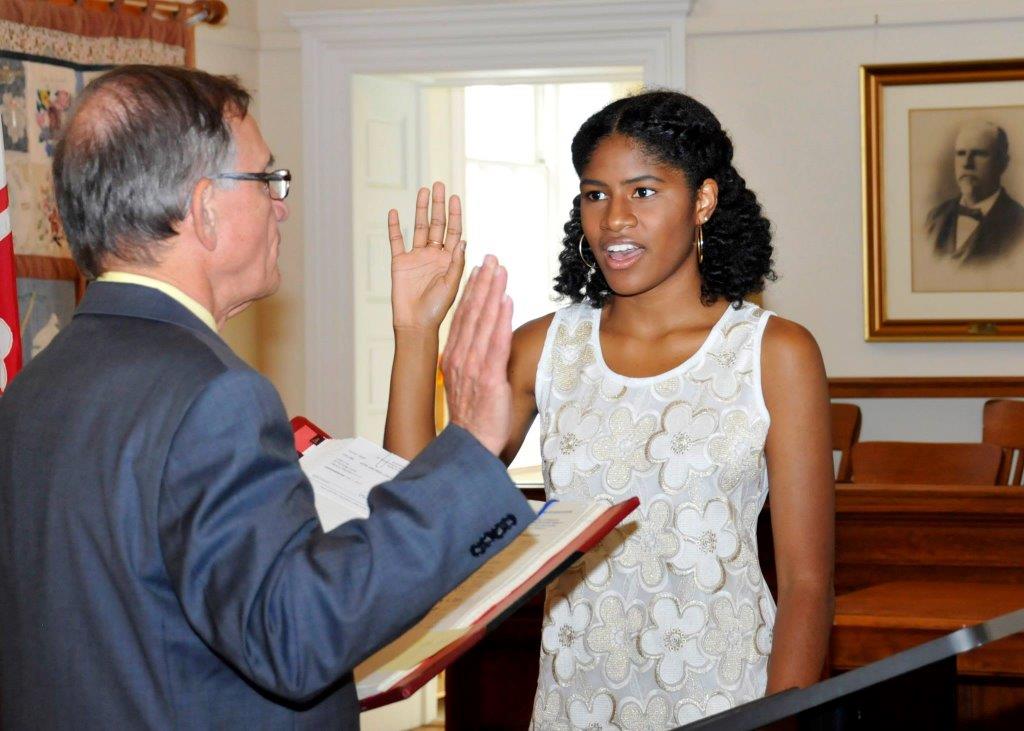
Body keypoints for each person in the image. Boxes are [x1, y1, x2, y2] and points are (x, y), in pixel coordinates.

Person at [0, 65, 535, 729]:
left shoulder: (30, 390)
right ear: (204, 209)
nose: (282, 203)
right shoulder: (215, 395)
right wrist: (474, 447)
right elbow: (293, 632)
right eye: (267, 179)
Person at [385, 90, 834, 727]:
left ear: (702, 200)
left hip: (725, 699)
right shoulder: (546, 349)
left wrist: (779, 720)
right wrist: (415, 329)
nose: (614, 219)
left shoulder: (773, 352)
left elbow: (808, 583)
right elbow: (418, 508)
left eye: (643, 192)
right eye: (596, 195)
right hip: (577, 704)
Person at [926, 120, 1024, 264]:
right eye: (961, 153)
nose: (966, 163)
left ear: (1003, 163)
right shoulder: (935, 217)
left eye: (979, 154)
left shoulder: (1019, 223)